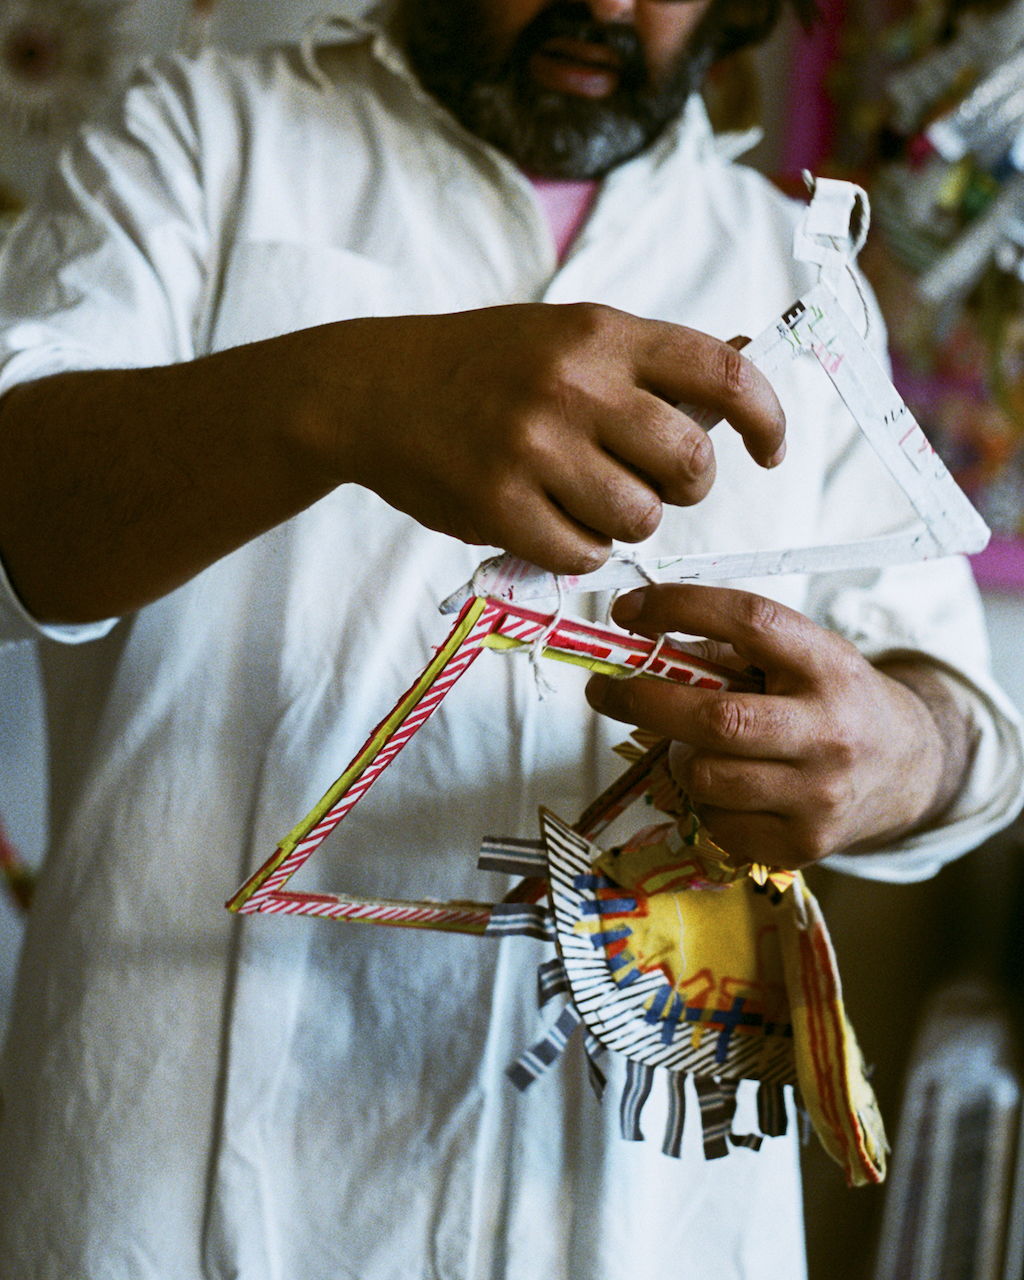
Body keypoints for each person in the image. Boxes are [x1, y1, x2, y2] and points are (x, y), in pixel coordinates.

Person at [0, 0, 1020, 1276]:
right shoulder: (200, 135)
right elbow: (17, 516)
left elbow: (968, 723)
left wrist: (900, 753)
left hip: (639, 1214)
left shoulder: (797, 274)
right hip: (162, 1189)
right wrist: (342, 395)